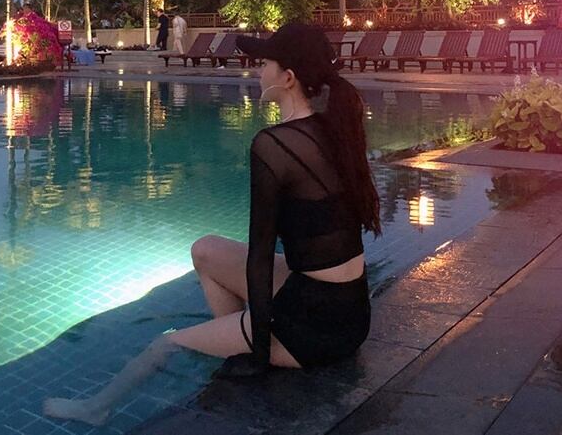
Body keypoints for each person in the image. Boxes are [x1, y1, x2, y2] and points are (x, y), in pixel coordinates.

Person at [43, 23, 381, 426]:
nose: (258, 71)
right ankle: (230, 342)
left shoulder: (274, 145)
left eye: (265, 63)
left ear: (288, 78)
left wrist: (257, 349)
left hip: (315, 330)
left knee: (165, 344)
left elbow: (260, 256)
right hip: (349, 311)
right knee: (204, 249)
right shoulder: (334, 129)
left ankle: (95, 408)